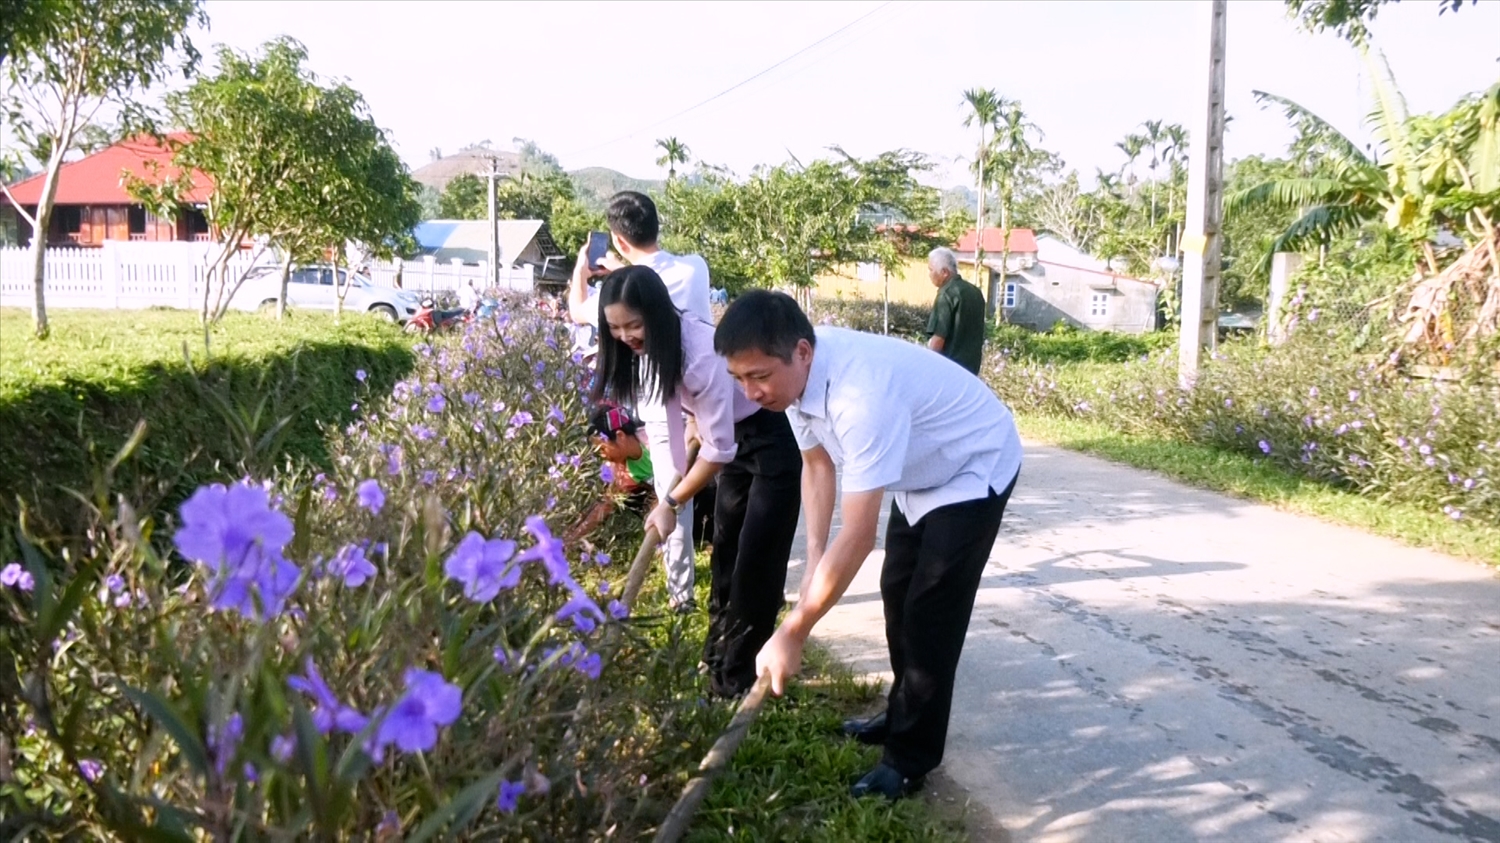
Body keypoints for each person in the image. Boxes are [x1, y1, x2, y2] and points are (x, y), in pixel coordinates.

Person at [714, 290, 1022, 801]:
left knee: (931, 610)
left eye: (759, 376)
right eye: (739, 379)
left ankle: (908, 759)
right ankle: (901, 711)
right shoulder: (790, 382)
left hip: (973, 462)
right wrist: (814, 560)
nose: (749, 392)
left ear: (802, 352)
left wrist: (794, 630)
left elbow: (858, 535)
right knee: (898, 589)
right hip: (920, 469)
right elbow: (816, 467)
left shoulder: (860, 396)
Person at [592, 267, 802, 698]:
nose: (626, 335)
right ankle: (717, 655)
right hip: (729, 437)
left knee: (755, 561)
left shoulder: (701, 352)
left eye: (633, 324)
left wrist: (672, 501)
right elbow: (680, 414)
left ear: (657, 313)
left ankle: (736, 678)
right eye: (614, 327)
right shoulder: (654, 347)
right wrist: (674, 477)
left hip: (771, 436)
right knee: (725, 548)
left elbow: (719, 451)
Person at [568, 191, 712, 612]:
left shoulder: (617, 292)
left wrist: (583, 268)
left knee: (672, 495)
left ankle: (680, 598)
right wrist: (624, 267)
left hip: (663, 404)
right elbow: (653, 274)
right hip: (700, 397)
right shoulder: (695, 268)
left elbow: (579, 310)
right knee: (684, 490)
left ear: (618, 239)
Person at [567, 403, 655, 542]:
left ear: (620, 436)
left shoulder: (654, 440)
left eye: (602, 449)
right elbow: (604, 506)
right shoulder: (621, 472)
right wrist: (573, 536)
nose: (602, 455)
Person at [924, 247, 986, 375]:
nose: (929, 274)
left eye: (931, 270)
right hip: (971, 371)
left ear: (944, 272)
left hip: (949, 371)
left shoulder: (946, 295)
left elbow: (938, 340)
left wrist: (925, 369)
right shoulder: (975, 292)